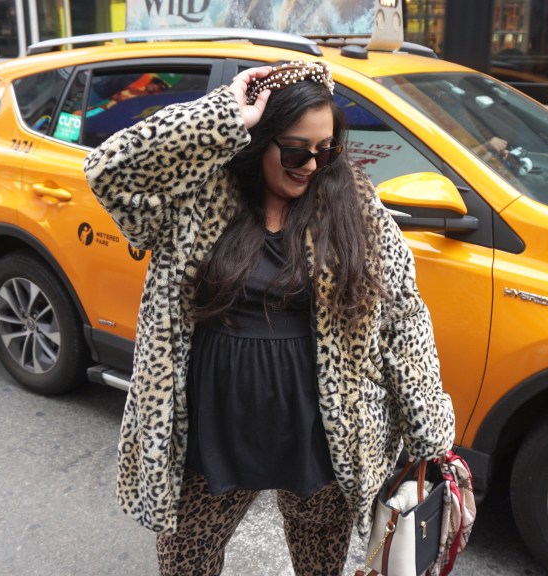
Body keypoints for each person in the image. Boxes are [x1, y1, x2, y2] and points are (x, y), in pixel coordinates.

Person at [83, 61, 455, 576]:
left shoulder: (353, 202)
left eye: (327, 149)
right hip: (211, 428)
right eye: (297, 150)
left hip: (323, 433)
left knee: (320, 562)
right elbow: (108, 171)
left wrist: (427, 429)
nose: (312, 165)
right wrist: (222, 115)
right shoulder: (197, 195)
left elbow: (403, 316)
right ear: (258, 139)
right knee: (187, 560)